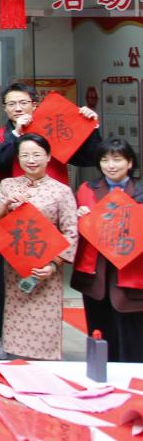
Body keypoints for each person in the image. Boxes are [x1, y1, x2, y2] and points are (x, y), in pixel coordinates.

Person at [0, 81, 100, 358]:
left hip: (50, 215)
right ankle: (2, 337)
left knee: (45, 284)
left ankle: (45, 347)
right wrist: (17, 134)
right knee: (3, 287)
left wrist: (91, 128)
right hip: (11, 223)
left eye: (23, 102)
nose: (18, 108)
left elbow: (89, 157)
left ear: (34, 104)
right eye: (11, 104)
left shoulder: (54, 130)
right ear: (4, 108)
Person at [0, 133, 79, 360]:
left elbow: (71, 231)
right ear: (18, 158)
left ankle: (45, 363)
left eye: (37, 155)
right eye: (25, 155)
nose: (31, 160)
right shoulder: (7, 185)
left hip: (47, 270)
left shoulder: (61, 191)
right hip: (15, 267)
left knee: (45, 324)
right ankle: (14, 359)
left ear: (48, 156)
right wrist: (5, 205)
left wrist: (54, 264)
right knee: (15, 321)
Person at [72, 138, 143, 362]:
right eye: (104, 160)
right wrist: (81, 218)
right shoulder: (87, 190)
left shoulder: (140, 192)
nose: (110, 165)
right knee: (100, 333)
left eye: (117, 159)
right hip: (96, 274)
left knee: (132, 336)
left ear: (129, 163)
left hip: (131, 275)